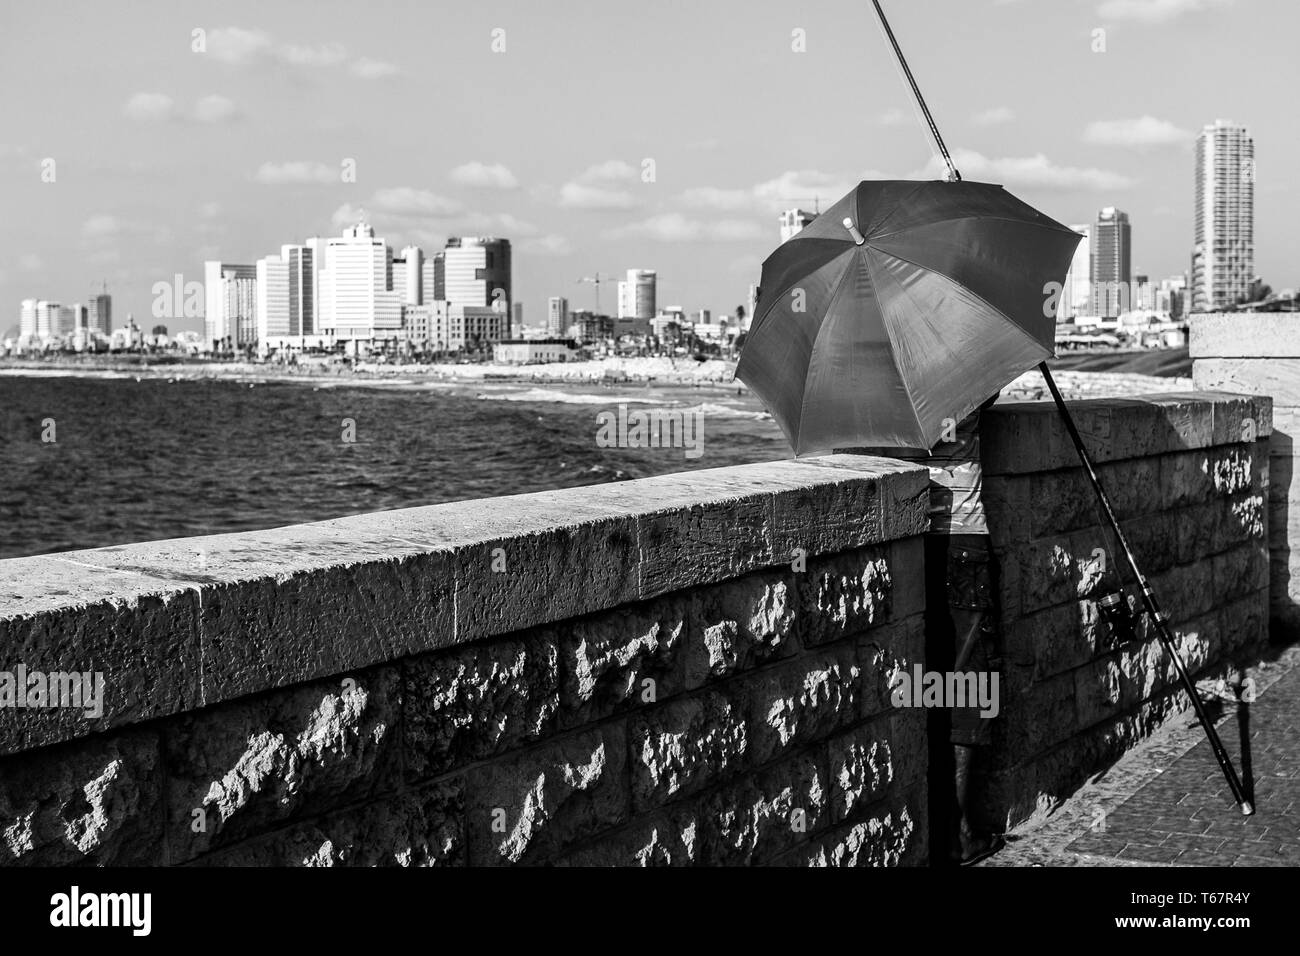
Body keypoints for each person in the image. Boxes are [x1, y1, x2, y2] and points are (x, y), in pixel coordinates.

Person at [886, 393, 1004, 865]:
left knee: (921, 684)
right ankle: (959, 836)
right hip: (963, 538)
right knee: (968, 684)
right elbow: (995, 377)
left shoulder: (869, 391)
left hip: (905, 543)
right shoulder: (959, 376)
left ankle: (925, 830)